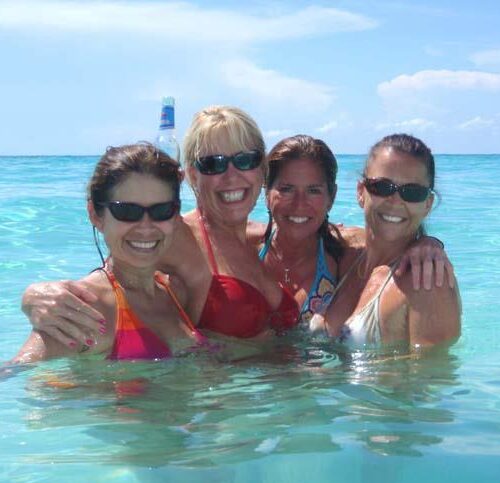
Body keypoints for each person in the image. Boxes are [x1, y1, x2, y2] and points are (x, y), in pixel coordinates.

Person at [21, 106, 299, 347]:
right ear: (192, 175)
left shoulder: (266, 237)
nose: (231, 176)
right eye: (213, 164)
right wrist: (36, 296)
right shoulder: (176, 232)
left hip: (284, 401)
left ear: (261, 168)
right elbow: (117, 272)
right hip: (222, 402)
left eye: (245, 160)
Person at [12, 143, 206, 363]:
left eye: (161, 210)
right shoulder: (88, 308)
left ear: (176, 215)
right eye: (126, 211)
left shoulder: (175, 292)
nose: (146, 226)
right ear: (96, 215)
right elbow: (16, 372)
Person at [251, 134, 454, 330]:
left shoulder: (345, 250)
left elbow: (388, 239)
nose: (299, 204)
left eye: (314, 190)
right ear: (266, 192)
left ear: (331, 197)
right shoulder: (245, 246)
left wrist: (427, 243)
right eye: (286, 189)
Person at [324, 134, 461, 349]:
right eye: (382, 187)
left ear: (427, 204)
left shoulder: (427, 281)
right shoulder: (346, 254)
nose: (395, 201)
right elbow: (290, 226)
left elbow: (434, 375)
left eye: (412, 192)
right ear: (361, 192)